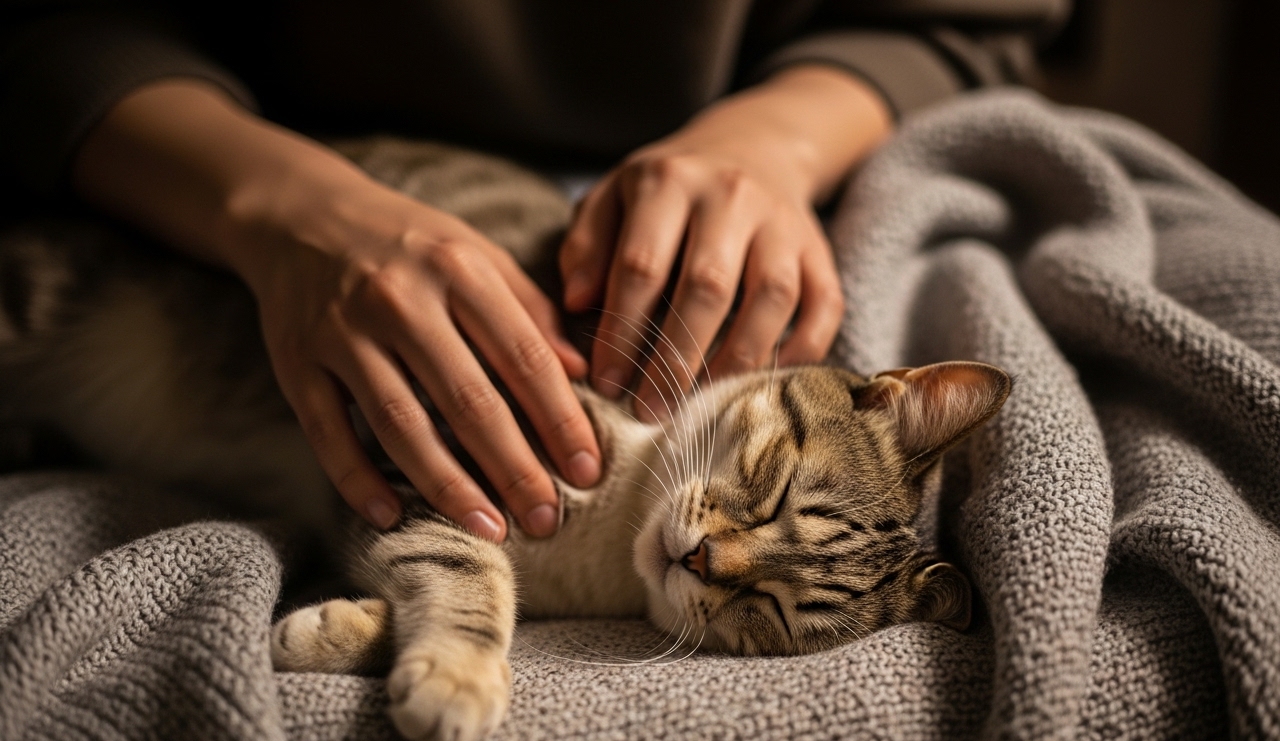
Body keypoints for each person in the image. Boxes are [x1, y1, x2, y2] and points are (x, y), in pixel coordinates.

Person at [0, 1, 1067, 542]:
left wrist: (771, 146)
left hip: (793, 154)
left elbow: (960, 19)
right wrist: (272, 203)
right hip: (189, 163)